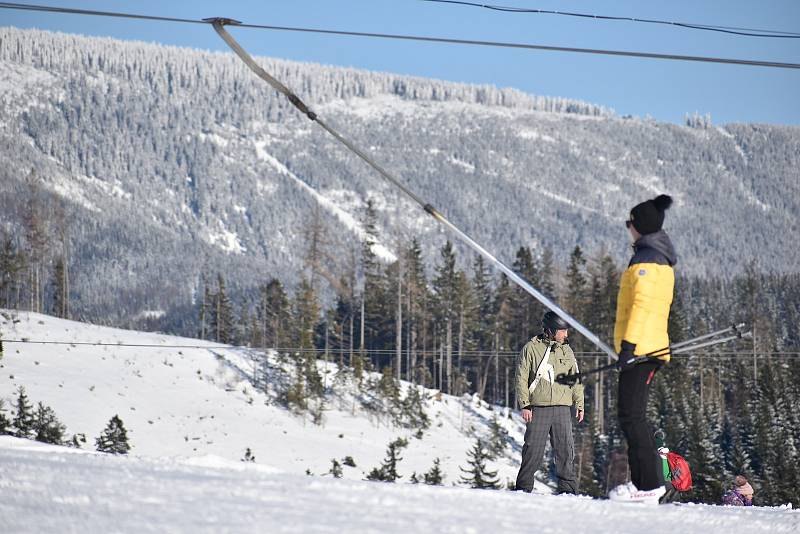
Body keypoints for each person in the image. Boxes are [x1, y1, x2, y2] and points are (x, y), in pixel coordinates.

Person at [608, 194, 677, 504]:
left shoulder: (649, 260)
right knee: (631, 416)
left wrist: (629, 346)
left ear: (640, 227)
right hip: (643, 347)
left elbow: (643, 305)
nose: (628, 228)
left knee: (632, 416)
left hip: (642, 350)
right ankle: (643, 485)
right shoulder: (652, 255)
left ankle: (649, 485)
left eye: (630, 223)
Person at [515, 311, 584, 494]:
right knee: (532, 451)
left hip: (562, 408)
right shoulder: (531, 348)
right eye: (562, 331)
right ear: (551, 330)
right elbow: (521, 378)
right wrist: (525, 404)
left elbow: (575, 378)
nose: (566, 334)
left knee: (565, 451)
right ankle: (523, 489)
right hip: (539, 408)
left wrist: (580, 403)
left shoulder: (567, 350)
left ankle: (568, 492)